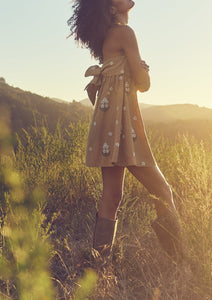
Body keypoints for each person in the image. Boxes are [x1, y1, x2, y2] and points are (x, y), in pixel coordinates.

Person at [67, 0, 185, 264]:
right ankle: (179, 260)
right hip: (123, 126)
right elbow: (143, 84)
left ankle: (98, 266)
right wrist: (142, 70)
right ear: (111, 6)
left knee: (112, 197)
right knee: (163, 190)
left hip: (108, 124)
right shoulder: (125, 33)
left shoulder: (108, 37)